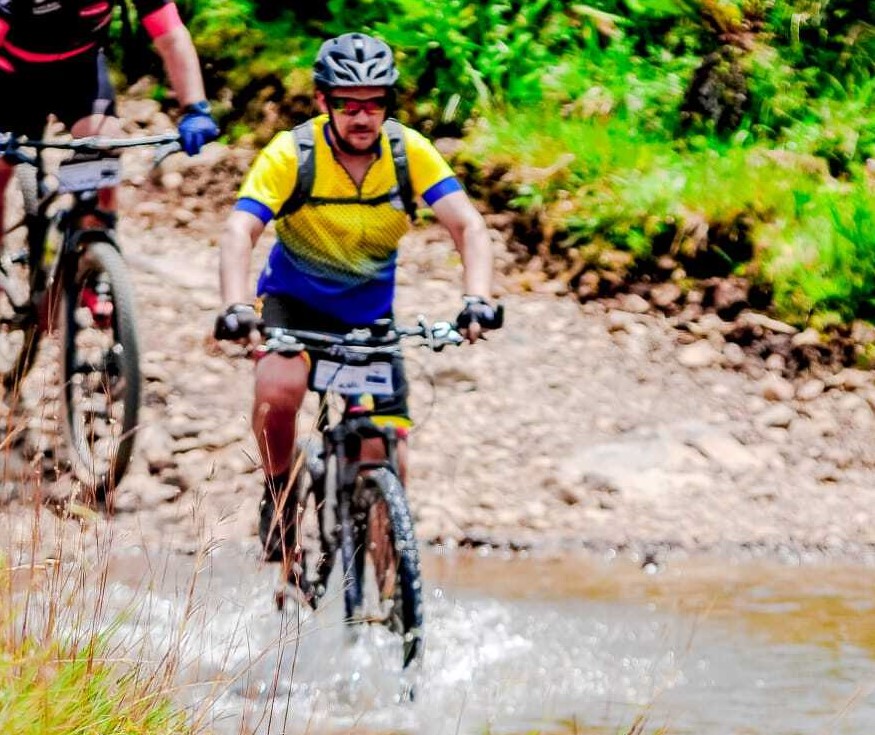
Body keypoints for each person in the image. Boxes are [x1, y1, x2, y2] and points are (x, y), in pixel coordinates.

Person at [213, 32, 502, 562]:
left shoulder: (407, 151)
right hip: (291, 307)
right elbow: (239, 231)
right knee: (279, 388)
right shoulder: (293, 152)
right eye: (348, 104)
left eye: (375, 104)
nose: (362, 117)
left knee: (388, 455)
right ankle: (279, 494)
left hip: (368, 319)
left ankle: (391, 603)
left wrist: (477, 298)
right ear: (324, 102)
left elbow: (468, 226)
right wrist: (235, 307)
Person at [0, 0, 219, 240]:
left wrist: (196, 107)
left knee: (105, 142)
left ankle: (98, 238)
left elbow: (171, 36)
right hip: (13, 78)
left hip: (81, 72)